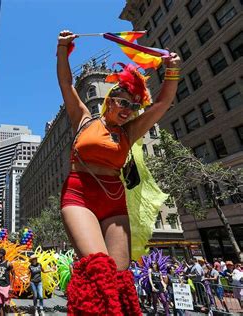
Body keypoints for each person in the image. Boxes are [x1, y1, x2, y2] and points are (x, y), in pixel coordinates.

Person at [57, 29, 180, 315]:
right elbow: (65, 82)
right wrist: (63, 48)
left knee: (120, 277)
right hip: (79, 196)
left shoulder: (130, 131)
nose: (128, 109)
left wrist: (173, 71)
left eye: (134, 106)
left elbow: (162, 104)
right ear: (110, 100)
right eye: (123, 102)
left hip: (114, 201)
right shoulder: (84, 119)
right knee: (98, 268)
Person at [0, 248, 14, 316]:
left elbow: (13, 275)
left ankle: (6, 313)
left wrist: (11, 287)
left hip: (6, 286)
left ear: (2, 254)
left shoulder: (8, 264)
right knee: (0, 304)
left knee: (7, 304)